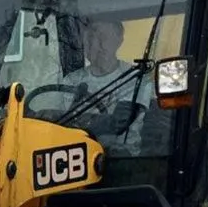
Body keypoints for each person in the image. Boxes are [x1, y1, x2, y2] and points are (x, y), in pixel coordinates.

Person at [61, 15, 151, 152]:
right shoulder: (71, 80)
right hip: (79, 156)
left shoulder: (135, 79)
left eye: (104, 38)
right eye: (90, 38)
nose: (97, 45)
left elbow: (118, 125)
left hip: (121, 158)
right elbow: (64, 124)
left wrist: (82, 122)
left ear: (119, 40)